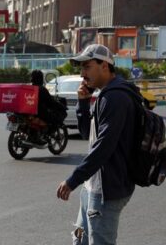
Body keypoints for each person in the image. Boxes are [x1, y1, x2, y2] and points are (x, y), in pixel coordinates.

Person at [56, 44, 136, 245]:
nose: (83, 74)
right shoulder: (103, 95)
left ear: (105, 66)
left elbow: (103, 147)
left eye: (87, 66)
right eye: (81, 68)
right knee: (78, 239)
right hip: (90, 188)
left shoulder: (115, 97)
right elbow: (87, 135)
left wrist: (72, 180)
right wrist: (83, 103)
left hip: (105, 192)